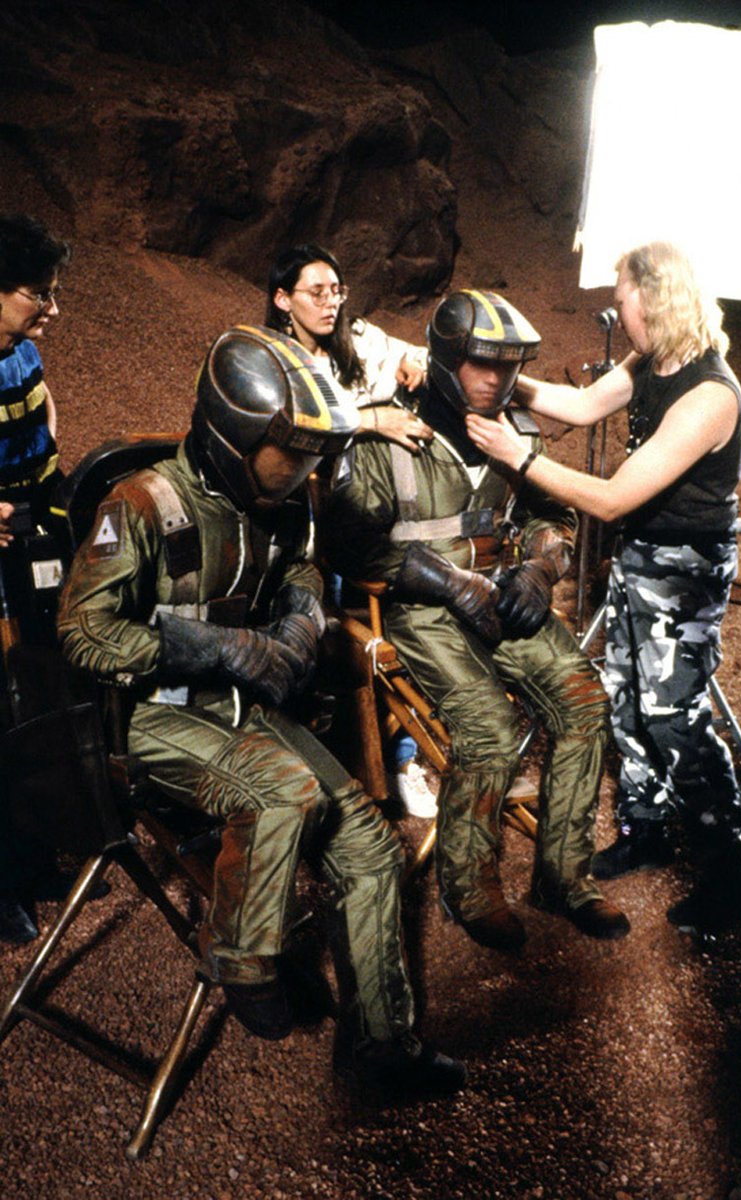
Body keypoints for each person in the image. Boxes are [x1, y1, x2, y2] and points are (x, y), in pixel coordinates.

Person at [57, 323, 466, 1095]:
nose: (299, 473)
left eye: (310, 459)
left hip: (245, 709)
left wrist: (302, 621)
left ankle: (382, 1048)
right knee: (287, 791)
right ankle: (241, 955)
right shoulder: (143, 504)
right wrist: (209, 647)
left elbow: (302, 567)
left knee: (371, 849)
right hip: (155, 717)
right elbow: (83, 632)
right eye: (286, 456)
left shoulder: (283, 502)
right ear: (230, 435)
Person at [466, 242, 741, 937]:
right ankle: (646, 829)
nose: (616, 306)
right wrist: (505, 382)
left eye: (622, 294)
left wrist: (520, 457)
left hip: (684, 573)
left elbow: (610, 498)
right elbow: (580, 406)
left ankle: (733, 870)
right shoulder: (651, 361)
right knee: (628, 702)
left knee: (673, 716)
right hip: (640, 557)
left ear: (653, 298)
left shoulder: (709, 395)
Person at [325, 288, 630, 951]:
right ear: (443, 359)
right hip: (420, 609)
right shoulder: (388, 434)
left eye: (508, 365)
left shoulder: (517, 430)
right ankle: (467, 886)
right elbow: (348, 545)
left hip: (502, 595)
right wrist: (442, 580)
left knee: (584, 700)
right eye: (481, 363)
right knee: (488, 728)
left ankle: (564, 876)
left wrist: (541, 567)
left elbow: (552, 514)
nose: (496, 380)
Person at [266, 243, 437, 818]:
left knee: (390, 631)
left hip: (359, 518)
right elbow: (292, 426)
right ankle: (312, 771)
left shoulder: (357, 339)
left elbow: (418, 353)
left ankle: (401, 760)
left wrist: (415, 364)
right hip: (295, 526)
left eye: (336, 291)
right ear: (283, 299)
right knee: (309, 639)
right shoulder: (269, 356)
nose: (330, 303)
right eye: (316, 292)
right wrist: (371, 420)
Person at [0, 213, 74, 946]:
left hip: (30, 526)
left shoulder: (20, 350)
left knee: (41, 684)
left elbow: (39, 398)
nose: (51, 307)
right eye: (38, 293)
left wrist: (48, 428)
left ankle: (39, 849)